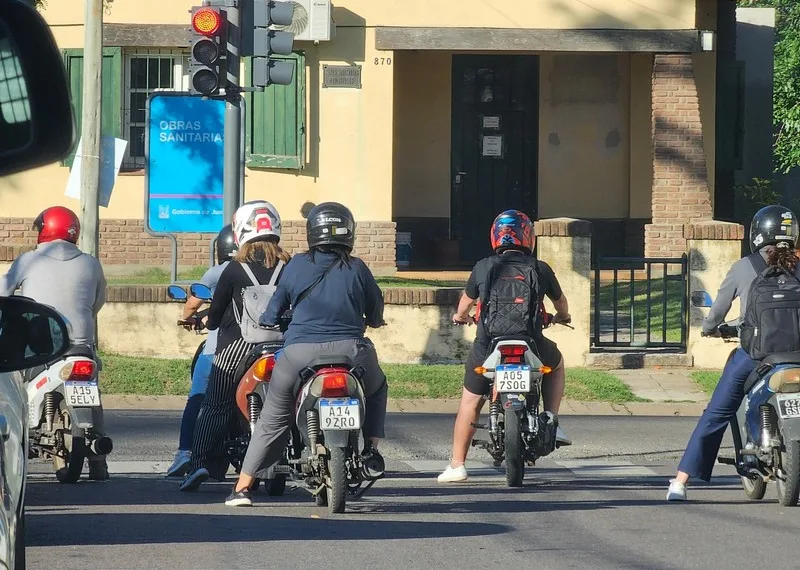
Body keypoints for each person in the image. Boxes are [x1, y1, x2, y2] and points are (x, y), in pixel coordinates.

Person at [224, 202, 388, 507]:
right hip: (352, 353)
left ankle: (243, 487)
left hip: (299, 356)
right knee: (377, 388)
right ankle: (371, 449)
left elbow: (273, 311)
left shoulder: (296, 265)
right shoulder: (358, 267)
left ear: (312, 232)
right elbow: (375, 309)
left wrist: (274, 319)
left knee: (272, 418)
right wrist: (372, 321)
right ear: (348, 232)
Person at [667, 204, 800, 501]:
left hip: (756, 356)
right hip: (797, 356)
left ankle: (680, 482)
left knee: (716, 413)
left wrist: (711, 328)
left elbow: (716, 314)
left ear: (757, 233)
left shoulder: (744, 267)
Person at [437, 209, 572, 484]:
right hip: (531, 342)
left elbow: (465, 305)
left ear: (495, 237)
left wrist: (460, 317)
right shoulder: (540, 268)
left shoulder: (484, 267)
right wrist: (563, 317)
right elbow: (561, 303)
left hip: (489, 344)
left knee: (470, 402)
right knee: (555, 365)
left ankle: (457, 465)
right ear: (528, 238)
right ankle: (551, 419)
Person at [180, 200, 291, 491]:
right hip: (283, 346)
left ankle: (200, 463)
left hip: (239, 347)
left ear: (241, 230)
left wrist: (207, 320)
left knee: (215, 404)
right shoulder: (290, 265)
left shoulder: (233, 269)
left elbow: (214, 318)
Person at [0, 206, 110, 480]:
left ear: (45, 230)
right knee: (92, 390)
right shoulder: (90, 263)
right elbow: (97, 302)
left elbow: (4, 293)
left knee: (15, 380)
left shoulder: (28, 261)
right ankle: (99, 463)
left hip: (41, 346)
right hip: (81, 346)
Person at [166, 224, 237, 478]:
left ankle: (185, 452)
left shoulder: (216, 273)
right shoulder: (262, 271)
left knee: (196, 398)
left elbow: (191, 306)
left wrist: (190, 316)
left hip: (219, 350)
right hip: (260, 348)